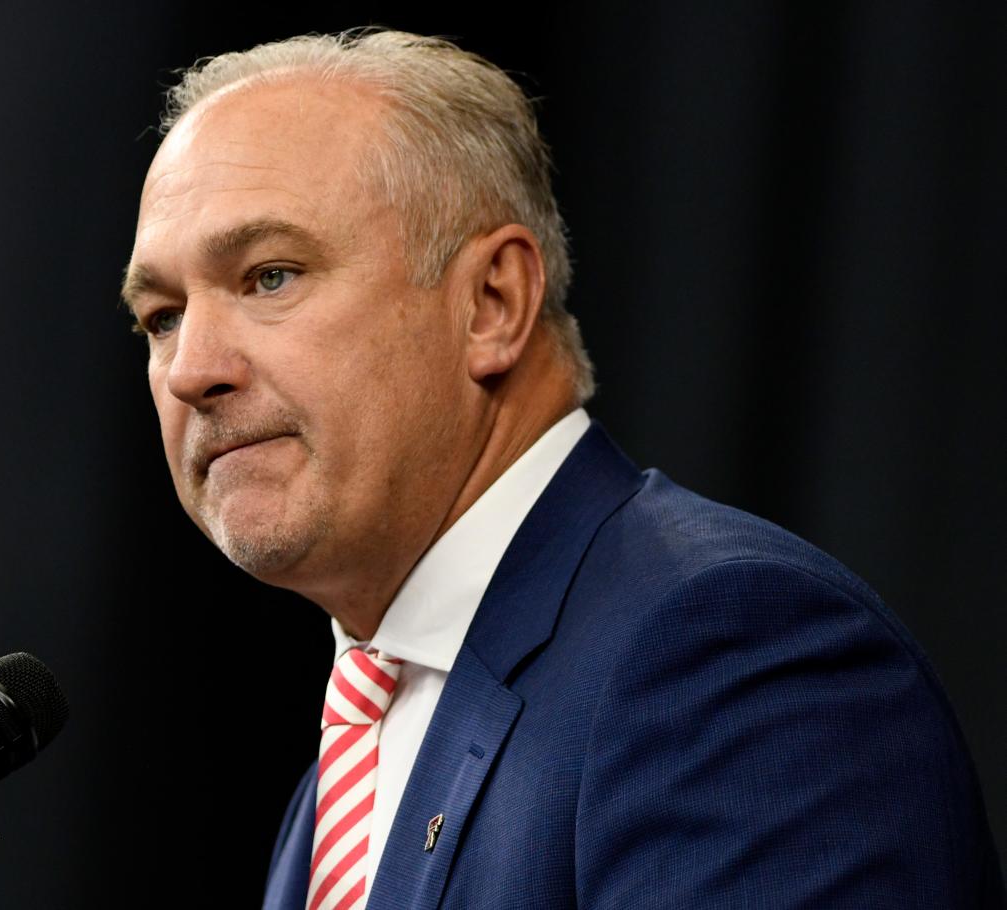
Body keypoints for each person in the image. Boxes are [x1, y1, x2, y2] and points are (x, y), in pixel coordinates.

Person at [121, 29, 1004, 910]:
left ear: (492, 304)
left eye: (271, 276)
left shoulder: (729, 658)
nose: (193, 368)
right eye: (161, 317)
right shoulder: (343, 772)